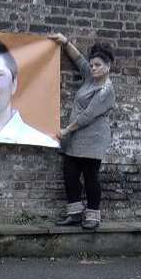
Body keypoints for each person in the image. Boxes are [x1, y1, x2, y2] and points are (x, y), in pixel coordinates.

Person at [49, 33, 116, 230]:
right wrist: (65, 42)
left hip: (93, 139)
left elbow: (87, 116)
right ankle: (75, 214)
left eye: (98, 65)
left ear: (108, 66)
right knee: (70, 174)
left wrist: (66, 130)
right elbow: (78, 59)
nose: (94, 68)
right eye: (93, 65)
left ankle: (93, 216)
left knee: (90, 177)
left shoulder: (106, 90)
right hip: (76, 137)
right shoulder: (90, 77)